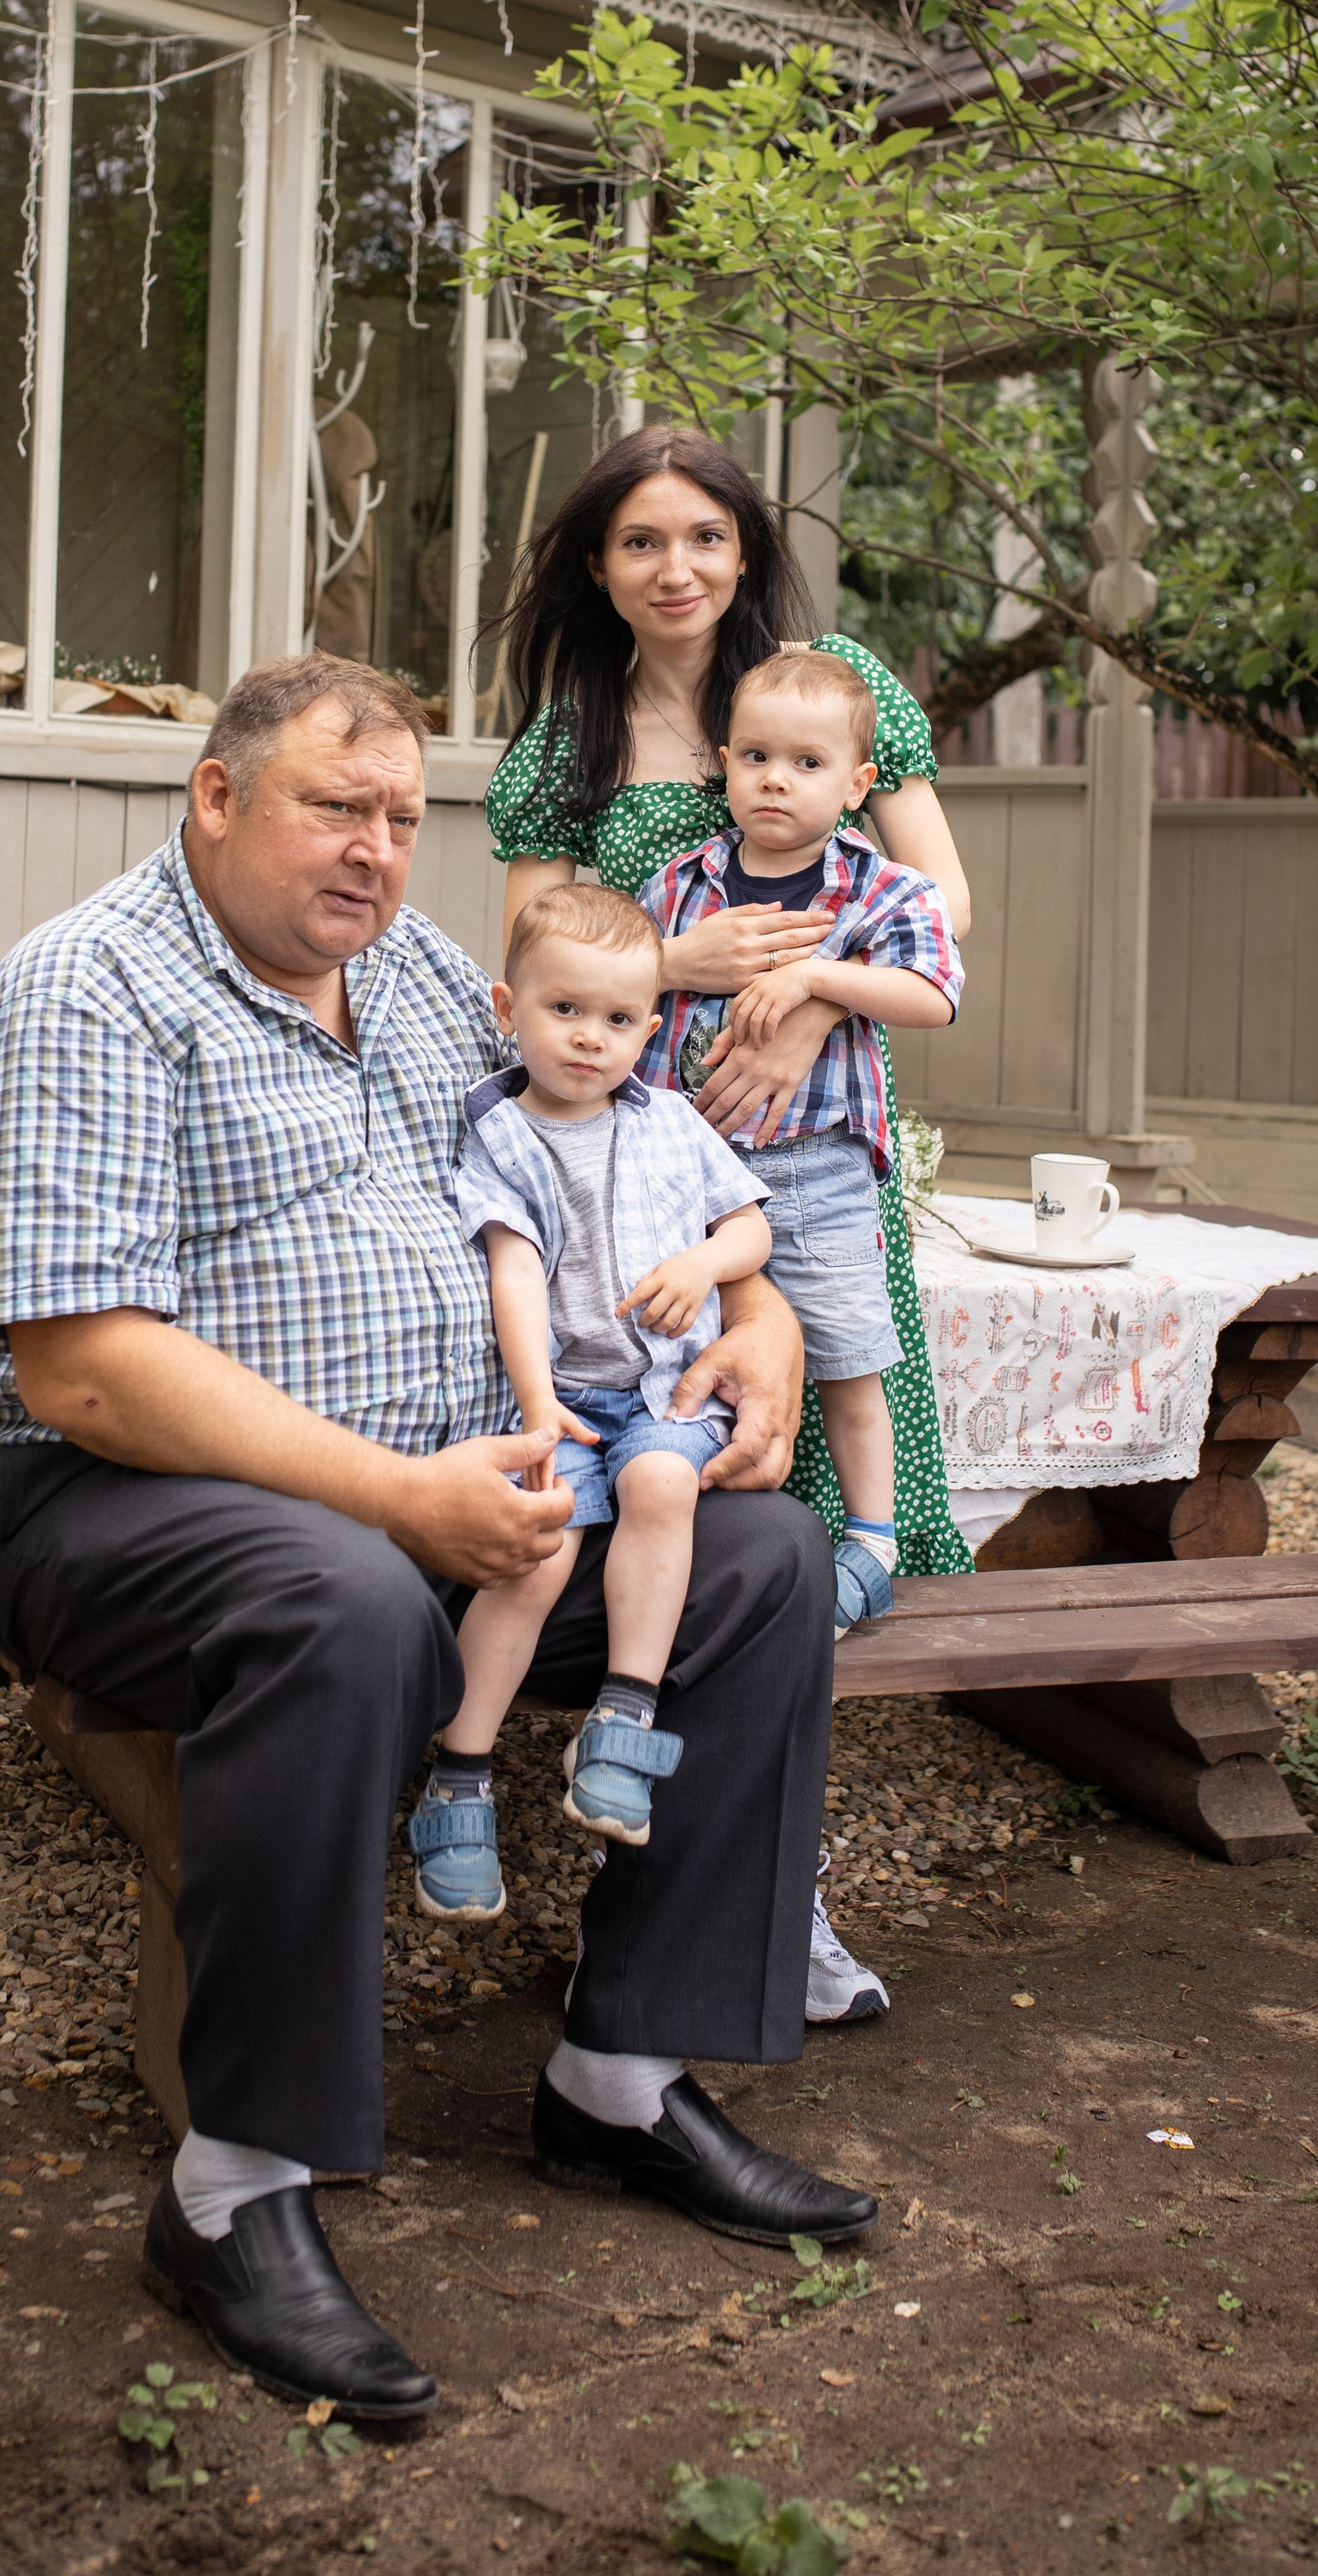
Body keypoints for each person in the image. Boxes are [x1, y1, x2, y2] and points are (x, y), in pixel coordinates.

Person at [0, 654, 875, 2427]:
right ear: (214, 801)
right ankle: (233, 2187)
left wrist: (757, 1339)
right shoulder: (86, 988)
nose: (374, 851)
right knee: (347, 1598)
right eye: (330, 808)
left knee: (754, 1567)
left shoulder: (438, 984)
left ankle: (615, 2077)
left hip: (443, 1495)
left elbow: (658, 1163)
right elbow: (79, 1370)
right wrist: (393, 1497)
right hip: (103, 1505)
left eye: (398, 817)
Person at [485, 422, 978, 2029]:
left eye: (705, 535)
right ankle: (634, 1873)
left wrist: (815, 996)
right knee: (654, 1522)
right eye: (640, 541)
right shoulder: (564, 748)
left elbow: (943, 910)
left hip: (813, 1171)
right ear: (597, 567)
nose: (677, 566)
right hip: (641, 1199)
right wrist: (681, 977)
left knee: (798, 1542)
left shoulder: (835, 694)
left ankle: (778, 1904)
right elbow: (536, 958)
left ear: (748, 550)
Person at [407, 883, 773, 1921]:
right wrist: (535, 1407)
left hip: (660, 1384)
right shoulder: (498, 1133)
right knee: (538, 1546)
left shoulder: (668, 1121)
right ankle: (459, 1773)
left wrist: (706, 1264)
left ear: (648, 1030)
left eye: (618, 1021)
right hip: (560, 1391)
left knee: (663, 1484)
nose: (588, 1039)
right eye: (563, 1010)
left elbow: (751, 1227)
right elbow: (512, 1273)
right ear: (505, 1006)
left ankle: (623, 1718)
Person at [640, 649, 964, 1636]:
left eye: (806, 763)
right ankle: (692, 1533)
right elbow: (626, 989)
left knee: (846, 1356)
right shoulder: (681, 886)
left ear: (857, 784)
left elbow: (934, 995)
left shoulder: (878, 891)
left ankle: (870, 1543)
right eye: (755, 757)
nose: (776, 779)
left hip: (817, 1166)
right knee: (689, 1351)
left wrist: (825, 980)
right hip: (691, 1173)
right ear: (726, 766)